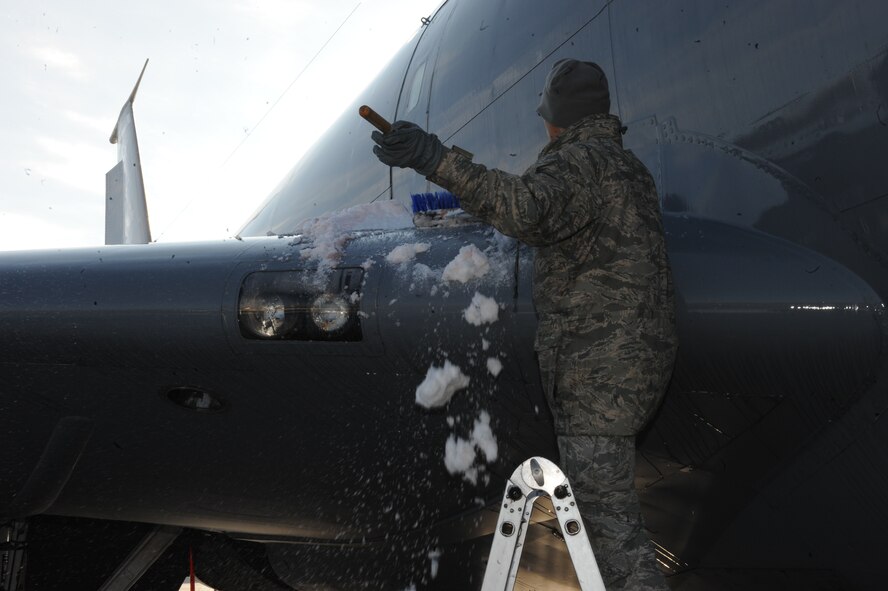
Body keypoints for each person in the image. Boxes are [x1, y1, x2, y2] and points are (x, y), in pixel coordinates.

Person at [371, 59, 678, 590]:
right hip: (630, 363)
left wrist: (432, 158)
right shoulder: (625, 167)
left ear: (557, 118)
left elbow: (526, 210)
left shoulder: (580, 163)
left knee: (613, 536)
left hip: (600, 371)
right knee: (608, 521)